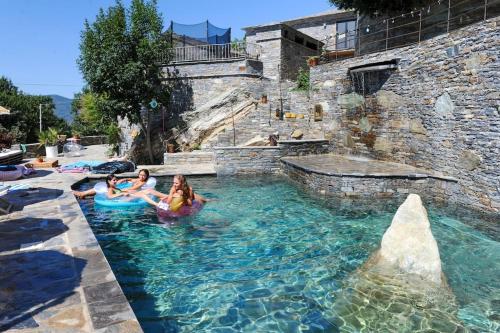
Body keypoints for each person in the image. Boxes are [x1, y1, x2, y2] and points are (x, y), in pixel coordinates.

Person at [135, 174, 206, 211]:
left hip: (193, 198)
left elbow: (190, 204)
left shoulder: (189, 189)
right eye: (174, 182)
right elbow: (169, 201)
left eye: (176, 183)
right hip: (178, 198)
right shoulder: (173, 188)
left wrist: (183, 195)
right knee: (155, 194)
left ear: (182, 183)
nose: (174, 184)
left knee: (205, 201)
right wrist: (172, 196)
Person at [73, 169, 150, 199]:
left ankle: (82, 194)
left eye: (144, 175)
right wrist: (124, 179)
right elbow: (131, 179)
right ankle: (82, 194)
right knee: (101, 189)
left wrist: (122, 190)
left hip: (124, 190)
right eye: (140, 174)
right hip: (120, 190)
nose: (142, 176)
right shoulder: (138, 179)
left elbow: (132, 189)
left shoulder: (143, 182)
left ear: (147, 176)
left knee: (104, 189)